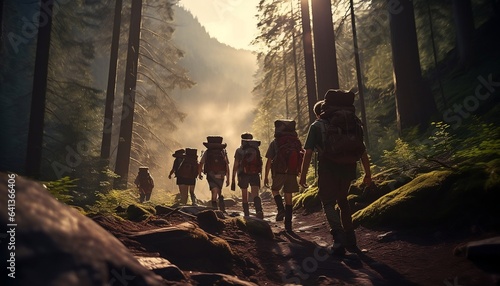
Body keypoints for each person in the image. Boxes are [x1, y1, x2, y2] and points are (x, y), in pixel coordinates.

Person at [299, 89, 372, 255]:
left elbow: (308, 153)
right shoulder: (354, 122)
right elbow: (362, 151)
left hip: (328, 168)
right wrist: (368, 174)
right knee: (343, 200)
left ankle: (339, 238)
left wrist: (302, 176)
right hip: (349, 167)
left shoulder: (317, 126)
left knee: (328, 202)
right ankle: (351, 238)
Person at [263, 120, 303, 232]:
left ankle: (280, 209)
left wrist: (266, 176)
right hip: (291, 172)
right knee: (288, 195)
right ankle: (288, 224)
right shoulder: (296, 142)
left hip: (279, 171)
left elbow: (269, 161)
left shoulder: (275, 142)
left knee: (275, 190)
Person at [231, 132, 264, 219]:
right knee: (255, 194)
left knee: (244, 194)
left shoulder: (239, 150)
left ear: (242, 140)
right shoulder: (256, 149)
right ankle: (259, 210)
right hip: (255, 173)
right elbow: (260, 163)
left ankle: (246, 214)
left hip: (243, 174)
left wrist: (233, 178)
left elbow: (235, 165)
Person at [198, 136, 230, 212]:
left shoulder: (207, 152)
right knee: (219, 190)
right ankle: (222, 206)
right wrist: (228, 178)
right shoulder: (223, 152)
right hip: (221, 174)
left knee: (214, 190)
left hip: (210, 174)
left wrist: (199, 173)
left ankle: (215, 209)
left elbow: (201, 163)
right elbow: (227, 165)